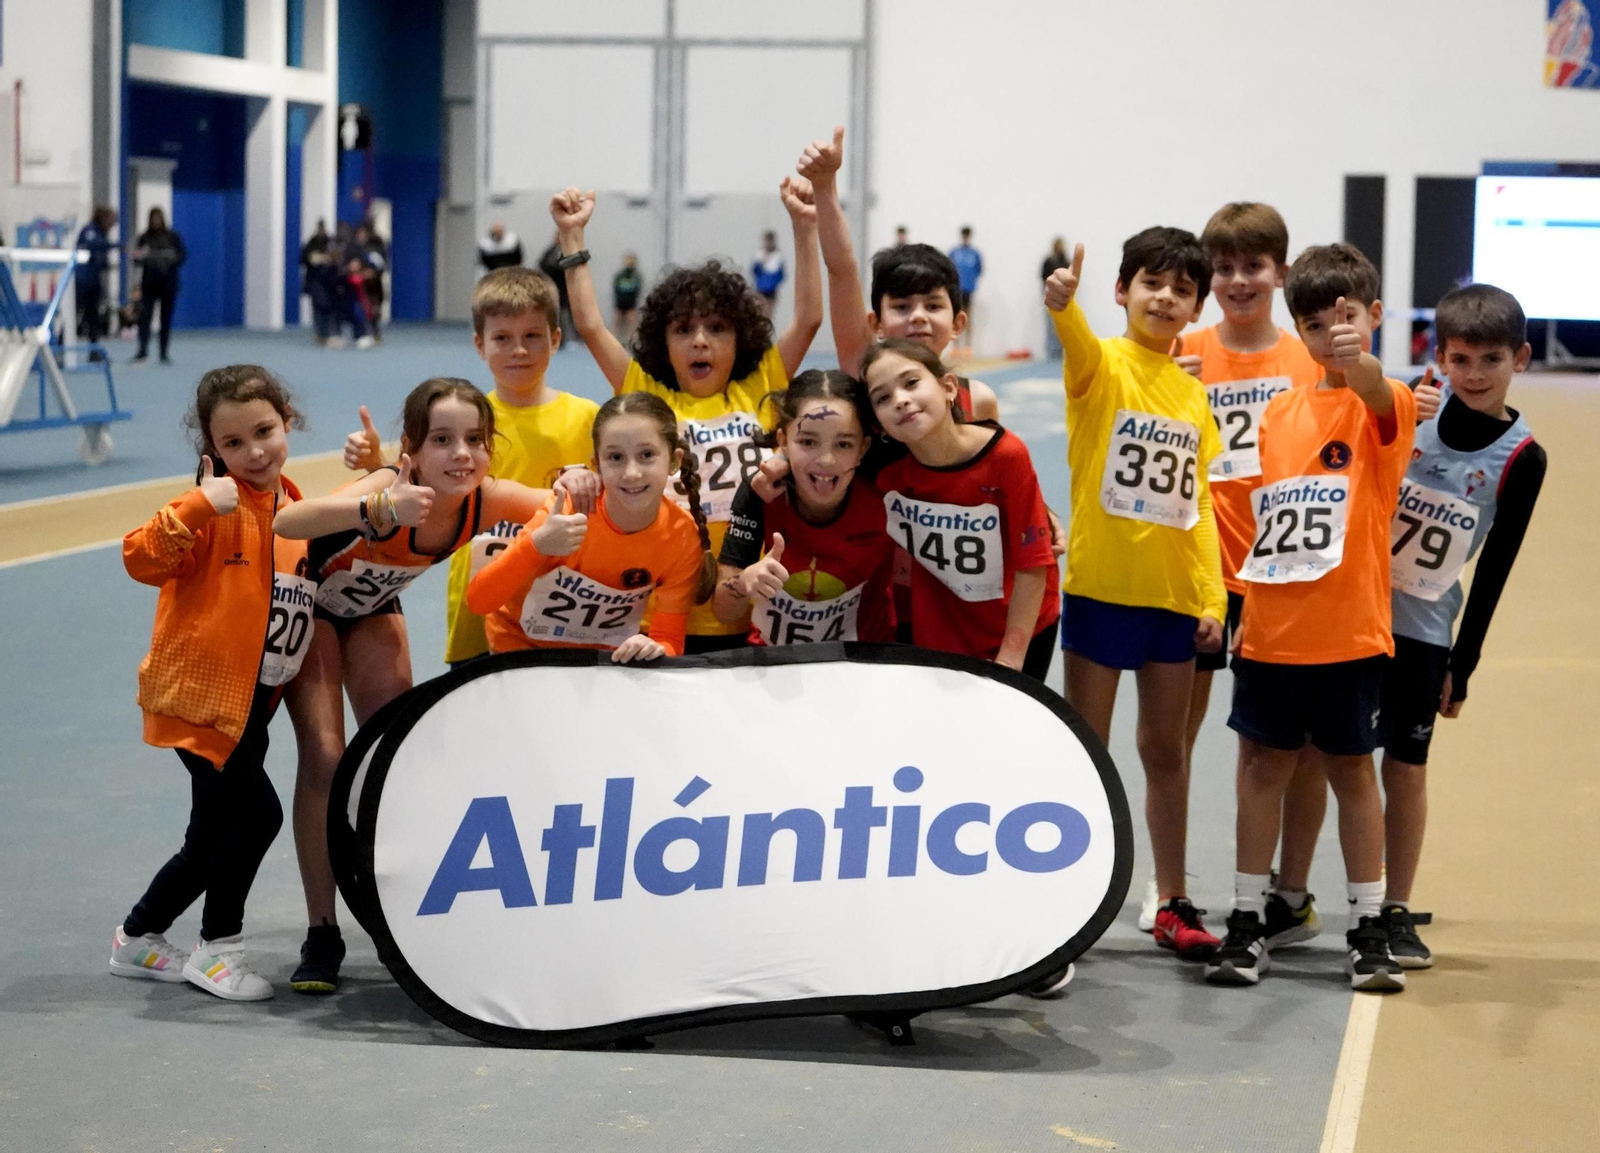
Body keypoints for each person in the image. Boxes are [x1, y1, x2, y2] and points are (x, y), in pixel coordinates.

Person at [272, 379, 596, 992]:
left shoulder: (485, 498)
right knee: (326, 756)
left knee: (400, 757)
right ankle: (322, 930)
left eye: (475, 440)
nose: (461, 455)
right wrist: (374, 510)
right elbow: (289, 520)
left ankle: (401, 910)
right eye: (442, 441)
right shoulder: (390, 487)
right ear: (412, 450)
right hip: (310, 602)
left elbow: (564, 505)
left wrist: (577, 477)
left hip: (371, 608)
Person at [1207, 243, 1417, 993]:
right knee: (1262, 768)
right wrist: (1231, 603)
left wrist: (1361, 364)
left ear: (1374, 317)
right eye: (1318, 323)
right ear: (1300, 329)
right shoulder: (1278, 415)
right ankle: (1245, 918)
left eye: (1349, 318)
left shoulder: (1384, 403)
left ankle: (1366, 928)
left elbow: (1376, 394)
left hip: (1350, 630)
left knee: (1352, 771)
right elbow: (1264, 521)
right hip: (1270, 628)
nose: (1335, 334)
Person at [1045, 228, 1227, 963]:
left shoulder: (1191, 393)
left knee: (1166, 751)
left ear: (1195, 307)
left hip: (1174, 600)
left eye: (1182, 289)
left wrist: (1211, 596)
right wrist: (1062, 307)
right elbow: (1080, 347)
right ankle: (1070, 894)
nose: (1165, 297)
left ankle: (1173, 897)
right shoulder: (1101, 367)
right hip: (1100, 590)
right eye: (1152, 282)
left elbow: (1202, 504)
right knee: (1085, 748)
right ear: (1122, 290)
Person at [546, 178, 822, 653]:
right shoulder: (648, 397)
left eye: (716, 328)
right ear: (662, 343)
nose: (700, 340)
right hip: (661, 614)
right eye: (683, 329)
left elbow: (811, 317)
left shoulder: (760, 387)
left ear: (741, 340)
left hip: (745, 606)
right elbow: (590, 325)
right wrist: (573, 237)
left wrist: (804, 225)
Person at [110, 365, 309, 1002]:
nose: (253, 452)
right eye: (233, 444)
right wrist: (196, 506)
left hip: (254, 703)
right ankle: (218, 948)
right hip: (200, 704)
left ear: (288, 420)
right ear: (211, 450)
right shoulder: (210, 503)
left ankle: (137, 938)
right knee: (257, 818)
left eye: (264, 432)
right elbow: (139, 557)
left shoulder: (295, 503)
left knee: (210, 836)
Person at [1170, 203, 1326, 947]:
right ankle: (1168, 888)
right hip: (1202, 572)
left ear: (1282, 273)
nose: (1238, 280)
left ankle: (1282, 892)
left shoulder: (1308, 357)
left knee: (1281, 746)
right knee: (1178, 734)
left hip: (1286, 578)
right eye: (1224, 268)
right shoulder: (1183, 350)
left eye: (1253, 266)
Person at [346, 267, 601, 667]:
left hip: (565, 602)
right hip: (480, 598)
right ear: (480, 345)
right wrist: (376, 464)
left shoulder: (589, 419)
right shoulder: (460, 421)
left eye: (532, 336)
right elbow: (415, 490)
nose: (519, 350)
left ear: (555, 338)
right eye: (503, 338)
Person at [863, 339, 1058, 677]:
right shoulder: (884, 472)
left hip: (1021, 625)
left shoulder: (1006, 455)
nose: (901, 400)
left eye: (911, 383)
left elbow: (1033, 563)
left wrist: (1011, 659)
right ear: (878, 423)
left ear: (948, 387)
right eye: (883, 398)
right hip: (940, 630)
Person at [468, 392, 715, 660]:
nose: (632, 473)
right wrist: (536, 546)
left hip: (604, 660)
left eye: (646, 455)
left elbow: (668, 639)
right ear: (597, 465)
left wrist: (658, 649)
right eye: (616, 457)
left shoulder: (681, 536)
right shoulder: (568, 510)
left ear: (674, 461)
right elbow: (479, 601)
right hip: (520, 648)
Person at [715, 370, 896, 645]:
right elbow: (724, 611)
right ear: (783, 442)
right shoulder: (761, 492)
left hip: (864, 664)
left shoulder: (886, 495)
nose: (826, 460)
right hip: (775, 664)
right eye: (808, 442)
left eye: (844, 444)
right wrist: (744, 582)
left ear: (863, 448)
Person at [130, 207, 185, 365]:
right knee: (144, 318)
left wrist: (169, 258)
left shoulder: (173, 237)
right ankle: (142, 351)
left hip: (168, 285)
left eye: (158, 218)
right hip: (149, 285)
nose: (156, 222)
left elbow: (182, 256)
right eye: (153, 218)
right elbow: (136, 259)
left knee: (165, 320)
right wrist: (142, 256)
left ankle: (163, 353)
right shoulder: (144, 238)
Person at [74, 206, 117, 344]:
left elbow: (99, 257)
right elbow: (92, 246)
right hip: (82, 281)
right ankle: (60, 345)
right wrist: (116, 246)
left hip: (94, 281)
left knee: (93, 316)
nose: (113, 225)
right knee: (74, 315)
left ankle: (94, 350)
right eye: (111, 221)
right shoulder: (90, 231)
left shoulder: (101, 233)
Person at [300, 219, 340, 346]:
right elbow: (303, 259)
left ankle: (329, 333)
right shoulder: (311, 243)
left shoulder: (331, 242)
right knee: (318, 308)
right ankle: (320, 333)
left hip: (330, 282)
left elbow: (338, 259)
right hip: (315, 281)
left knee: (330, 308)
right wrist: (314, 258)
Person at [948, 226, 983, 351]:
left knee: (968, 316)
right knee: (955, 316)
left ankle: (968, 346)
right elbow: (948, 269)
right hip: (956, 288)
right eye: (964, 235)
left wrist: (972, 282)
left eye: (967, 235)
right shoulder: (954, 252)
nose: (965, 237)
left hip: (969, 289)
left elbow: (979, 270)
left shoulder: (975, 253)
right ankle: (955, 346)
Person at [353, 222, 388, 343]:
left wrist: (372, 272)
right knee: (362, 309)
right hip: (360, 285)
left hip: (375, 285)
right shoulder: (355, 248)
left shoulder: (376, 247)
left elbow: (382, 265)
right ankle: (363, 334)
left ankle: (375, 333)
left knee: (375, 310)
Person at [537, 232, 575, 335]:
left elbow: (574, 266)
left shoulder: (570, 251)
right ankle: (558, 336)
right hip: (554, 286)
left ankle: (578, 337)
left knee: (573, 313)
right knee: (556, 313)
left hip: (568, 287)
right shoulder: (551, 251)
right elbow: (542, 263)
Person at [1039, 237, 1071, 359]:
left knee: (1062, 324)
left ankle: (1063, 350)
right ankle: (1051, 351)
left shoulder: (1066, 261)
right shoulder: (1049, 261)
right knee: (1049, 324)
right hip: (1050, 295)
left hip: (1063, 296)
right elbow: (1043, 277)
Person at [751, 230, 785, 317]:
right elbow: (754, 271)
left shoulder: (777, 256)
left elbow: (781, 275)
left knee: (769, 313)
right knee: (760, 312)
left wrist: (772, 282)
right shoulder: (759, 255)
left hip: (771, 290)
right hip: (760, 288)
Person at [613, 252, 643, 342]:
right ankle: (613, 337)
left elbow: (638, 290)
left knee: (631, 320)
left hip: (631, 302)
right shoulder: (620, 275)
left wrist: (634, 302)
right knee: (617, 320)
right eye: (627, 260)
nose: (628, 262)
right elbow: (615, 288)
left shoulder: (636, 276)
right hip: (620, 301)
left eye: (630, 260)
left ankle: (631, 339)